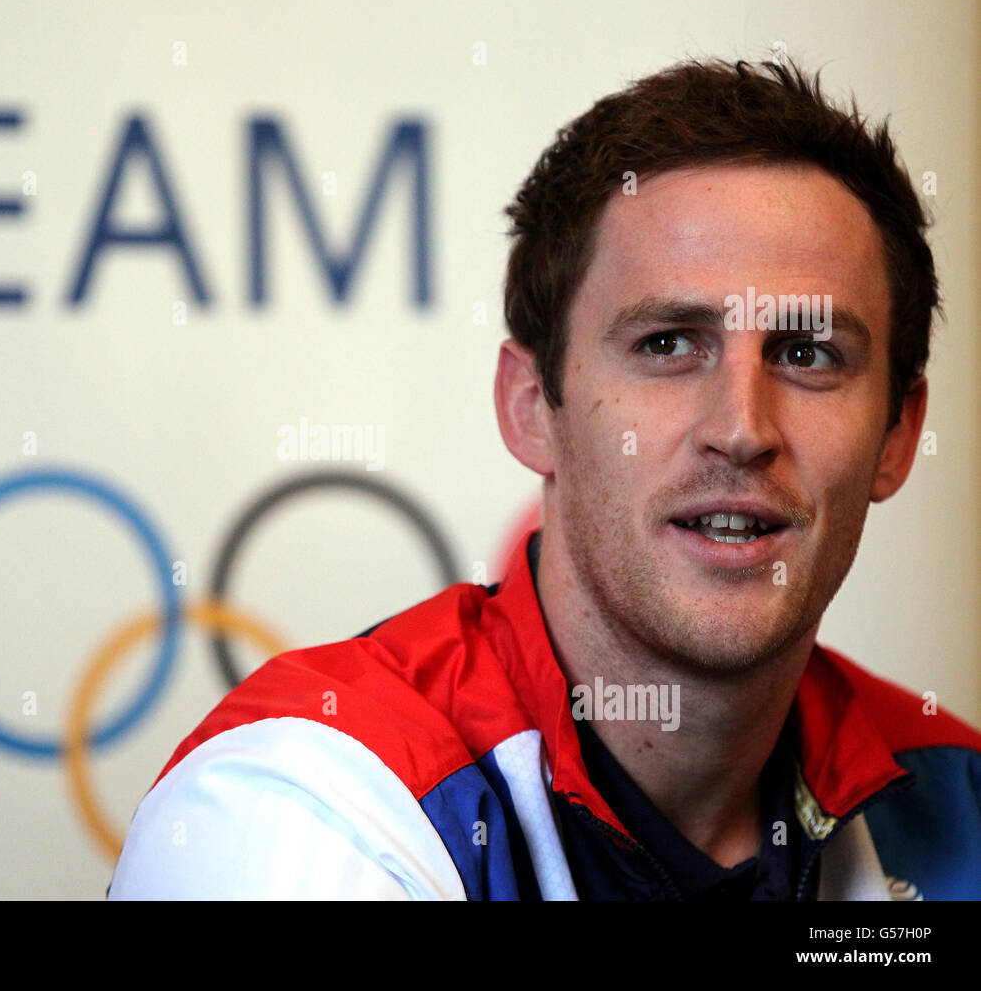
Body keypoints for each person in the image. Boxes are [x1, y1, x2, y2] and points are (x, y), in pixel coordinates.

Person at [108, 58, 981, 900]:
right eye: (668, 344)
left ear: (899, 433)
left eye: (806, 354)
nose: (742, 429)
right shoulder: (305, 805)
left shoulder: (962, 799)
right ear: (532, 406)